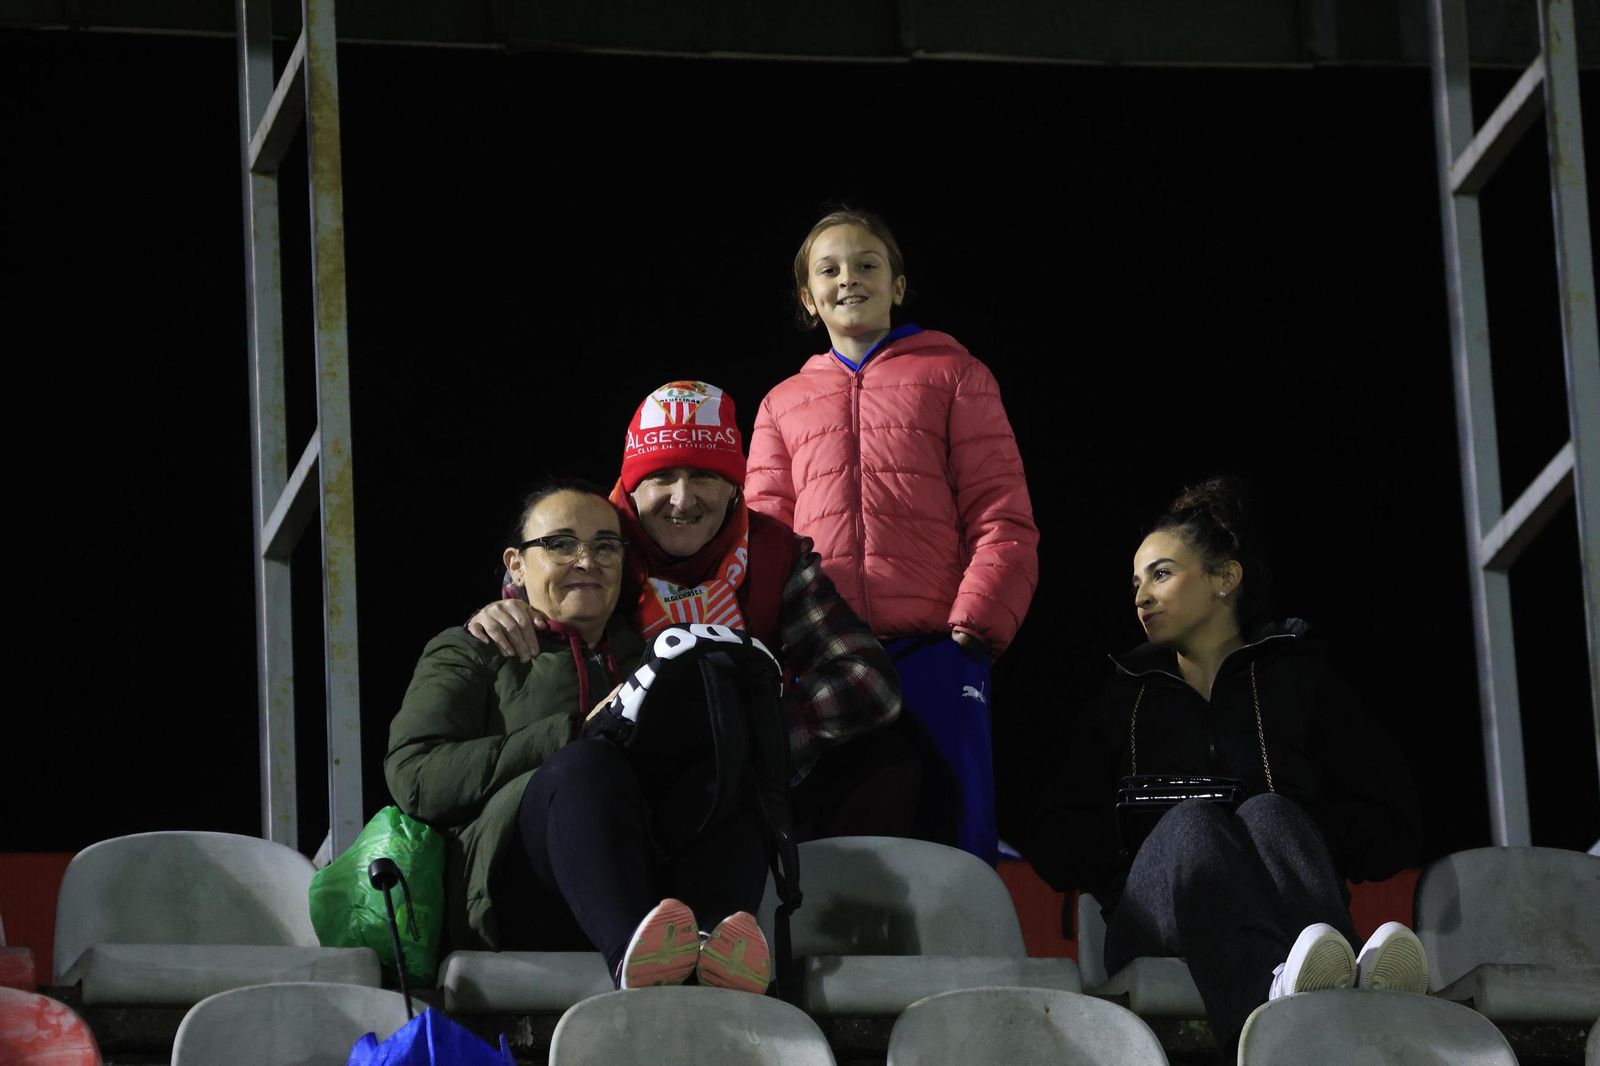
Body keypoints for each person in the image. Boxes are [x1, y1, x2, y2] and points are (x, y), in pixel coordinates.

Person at [1023, 476, 1428, 1061]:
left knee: (1270, 814)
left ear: (1224, 578)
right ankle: (1281, 1003)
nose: (1140, 597)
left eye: (1160, 574)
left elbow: (1394, 825)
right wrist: (1141, 827)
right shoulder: (1120, 697)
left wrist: (1295, 819)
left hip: (1289, 900)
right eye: (1135, 583)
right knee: (1193, 827)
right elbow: (1053, 841)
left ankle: (1321, 979)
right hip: (1151, 923)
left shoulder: (1301, 681)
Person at [466, 381, 911, 842]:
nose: (682, 499)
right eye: (661, 477)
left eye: (704, 476)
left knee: (888, 760)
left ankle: (815, 907)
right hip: (622, 774)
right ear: (632, 488)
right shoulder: (593, 546)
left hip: (741, 767)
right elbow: (528, 594)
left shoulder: (774, 552)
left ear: (736, 487)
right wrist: (503, 612)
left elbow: (870, 681)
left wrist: (747, 732)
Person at [385, 480, 774, 993]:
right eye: (560, 544)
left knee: (724, 771)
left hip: (642, 873)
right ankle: (634, 965)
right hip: (512, 890)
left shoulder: (654, 658)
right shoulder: (473, 647)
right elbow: (414, 776)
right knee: (585, 765)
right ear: (516, 564)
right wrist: (570, 733)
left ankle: (712, 950)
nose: (586, 561)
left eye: (605, 546)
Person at [744, 206, 1040, 861]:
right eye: (829, 269)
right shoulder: (781, 402)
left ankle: (970, 963)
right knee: (834, 831)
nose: (849, 278)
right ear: (806, 296)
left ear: (898, 285)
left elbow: (1002, 512)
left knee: (954, 824)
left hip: (936, 644)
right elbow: (763, 543)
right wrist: (769, 647)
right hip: (827, 654)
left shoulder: (955, 373)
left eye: (867, 264)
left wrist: (977, 622)